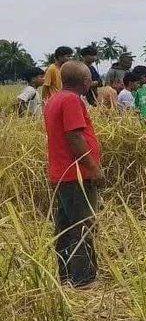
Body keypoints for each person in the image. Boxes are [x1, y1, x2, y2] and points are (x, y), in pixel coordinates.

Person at [43, 60, 103, 288]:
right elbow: (75, 138)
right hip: (76, 174)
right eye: (89, 78)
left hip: (61, 173)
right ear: (85, 82)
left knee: (66, 227)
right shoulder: (71, 100)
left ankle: (66, 275)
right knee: (82, 225)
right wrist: (93, 168)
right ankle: (83, 279)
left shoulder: (54, 99)